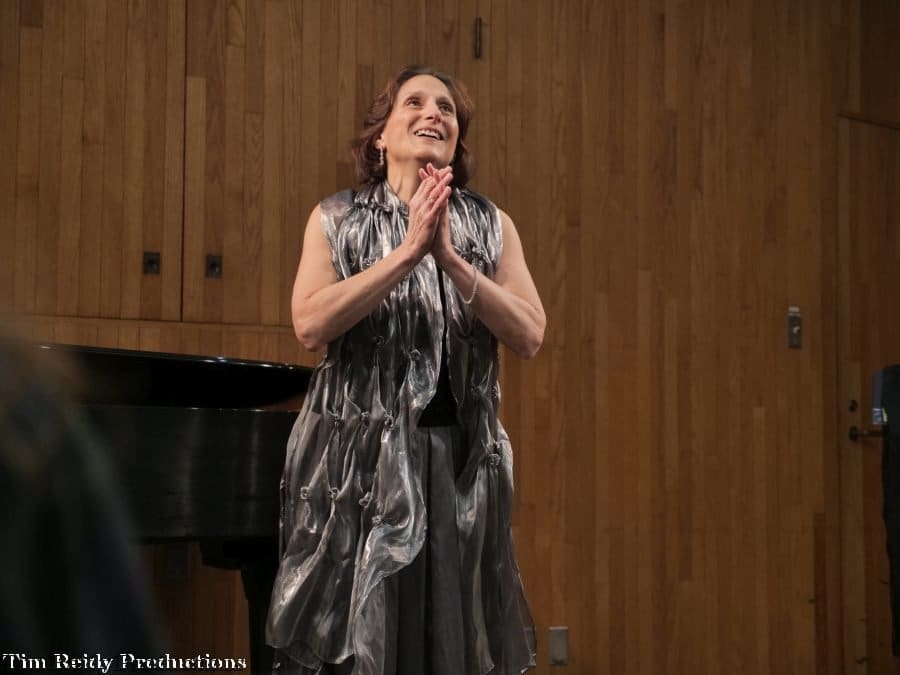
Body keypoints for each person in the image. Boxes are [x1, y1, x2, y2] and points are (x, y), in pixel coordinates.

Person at [266, 65, 545, 675]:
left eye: (446, 108)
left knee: (449, 644)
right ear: (380, 137)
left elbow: (529, 333)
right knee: (364, 643)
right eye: (414, 102)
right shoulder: (334, 219)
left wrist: (450, 260)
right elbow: (310, 324)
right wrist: (408, 253)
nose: (434, 113)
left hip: (455, 464)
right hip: (355, 468)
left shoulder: (491, 225)